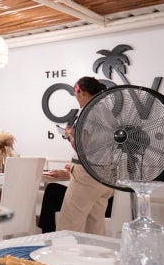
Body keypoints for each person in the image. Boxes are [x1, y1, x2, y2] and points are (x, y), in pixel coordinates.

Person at [48, 76, 114, 235]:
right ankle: (95, 257)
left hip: (87, 175)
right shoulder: (106, 112)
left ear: (82, 92)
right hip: (107, 175)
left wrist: (70, 134)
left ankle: (63, 259)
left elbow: (81, 146)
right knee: (95, 224)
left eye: (76, 93)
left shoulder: (88, 112)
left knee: (69, 225)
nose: (76, 97)